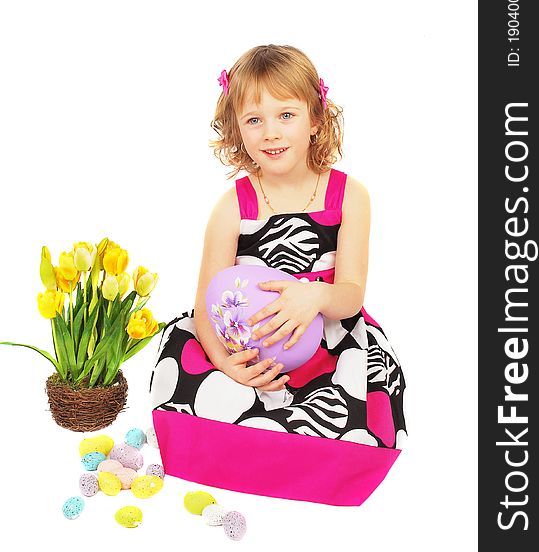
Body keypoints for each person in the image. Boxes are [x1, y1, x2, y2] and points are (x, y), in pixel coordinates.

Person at [150, 44, 406, 506]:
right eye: (254, 120)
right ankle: (234, 440)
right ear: (237, 131)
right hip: (243, 346)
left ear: (316, 118)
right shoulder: (233, 207)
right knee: (186, 373)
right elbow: (207, 303)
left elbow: (350, 293)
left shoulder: (351, 196)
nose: (271, 132)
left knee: (360, 393)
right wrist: (227, 363)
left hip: (326, 341)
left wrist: (316, 298)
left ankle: (315, 458)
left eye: (286, 115)